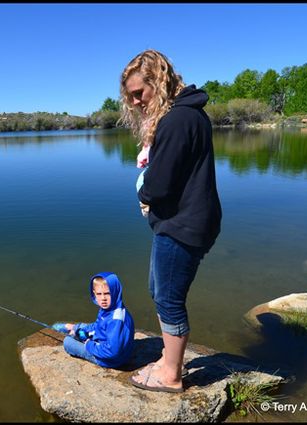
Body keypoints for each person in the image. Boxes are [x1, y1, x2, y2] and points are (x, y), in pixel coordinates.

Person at [119, 50, 222, 393]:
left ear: (158, 82)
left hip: (184, 225)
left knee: (168, 299)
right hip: (187, 220)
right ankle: (168, 358)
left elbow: (160, 183)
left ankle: (171, 375)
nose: (134, 102)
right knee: (159, 290)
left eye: (139, 93)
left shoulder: (178, 120)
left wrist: (144, 194)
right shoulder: (186, 115)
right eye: (130, 96)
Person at [52, 272, 135, 368]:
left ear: (116, 292)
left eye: (107, 293)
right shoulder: (111, 308)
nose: (103, 298)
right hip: (107, 342)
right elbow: (99, 325)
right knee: (83, 327)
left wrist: (90, 345)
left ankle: (75, 334)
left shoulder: (115, 320)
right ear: (94, 294)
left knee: (67, 342)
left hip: (111, 360)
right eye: (99, 294)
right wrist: (82, 330)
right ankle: (74, 328)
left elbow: (112, 351)